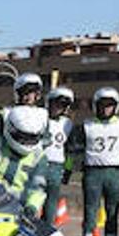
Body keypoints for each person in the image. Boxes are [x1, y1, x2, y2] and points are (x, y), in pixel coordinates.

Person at [66, 84, 119, 236]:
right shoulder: (86, 125)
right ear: (96, 106)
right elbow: (76, 149)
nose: (106, 109)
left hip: (114, 171)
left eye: (110, 105)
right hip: (93, 171)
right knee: (91, 208)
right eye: (103, 105)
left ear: (116, 106)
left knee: (113, 208)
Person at [0, 98, 52, 218]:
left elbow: (37, 187)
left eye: (32, 137)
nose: (27, 142)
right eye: (22, 136)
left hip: (13, 210)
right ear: (10, 129)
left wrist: (32, 206)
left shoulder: (39, 158)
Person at [36, 87, 74, 224]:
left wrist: (68, 169)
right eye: (57, 104)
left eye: (63, 105)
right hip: (37, 163)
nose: (59, 108)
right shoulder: (39, 117)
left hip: (56, 166)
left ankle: (48, 228)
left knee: (51, 202)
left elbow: (69, 149)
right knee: (32, 198)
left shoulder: (68, 124)